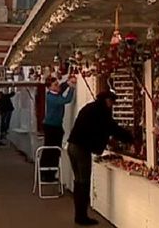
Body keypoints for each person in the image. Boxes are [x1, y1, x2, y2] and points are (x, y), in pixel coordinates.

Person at [68, 91, 133, 226]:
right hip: (81, 149)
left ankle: (78, 215)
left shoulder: (89, 107)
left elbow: (96, 129)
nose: (112, 105)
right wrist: (131, 138)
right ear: (107, 100)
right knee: (84, 183)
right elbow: (113, 128)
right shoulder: (101, 112)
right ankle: (82, 217)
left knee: (79, 182)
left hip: (72, 146)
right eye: (112, 102)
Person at [40, 76, 76, 182]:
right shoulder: (52, 98)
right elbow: (66, 100)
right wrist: (72, 88)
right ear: (50, 88)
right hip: (52, 126)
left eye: (57, 84)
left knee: (55, 150)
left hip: (55, 126)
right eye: (55, 85)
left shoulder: (55, 93)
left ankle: (50, 173)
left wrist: (68, 82)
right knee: (51, 150)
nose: (58, 86)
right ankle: (46, 173)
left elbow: (62, 88)